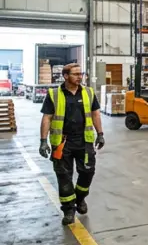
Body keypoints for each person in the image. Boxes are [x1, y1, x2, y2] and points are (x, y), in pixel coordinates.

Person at [38, 63, 105, 225]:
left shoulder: (88, 92)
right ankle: (68, 210)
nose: (79, 77)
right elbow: (47, 117)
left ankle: (80, 198)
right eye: (75, 74)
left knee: (87, 172)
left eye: (80, 74)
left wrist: (100, 134)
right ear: (66, 76)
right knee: (63, 176)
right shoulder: (54, 94)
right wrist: (43, 141)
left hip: (85, 140)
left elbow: (95, 113)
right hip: (62, 143)